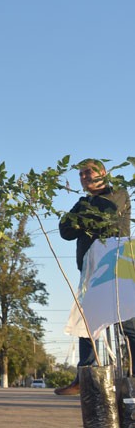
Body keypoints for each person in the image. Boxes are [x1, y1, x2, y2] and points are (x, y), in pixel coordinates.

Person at [54, 158, 133, 396]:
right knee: (88, 323)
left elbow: (105, 214)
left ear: (103, 173)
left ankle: (134, 377)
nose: (84, 177)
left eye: (89, 172)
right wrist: (83, 215)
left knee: (127, 321)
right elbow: (65, 231)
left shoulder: (117, 192)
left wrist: (81, 215)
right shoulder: (82, 202)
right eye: (81, 174)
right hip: (91, 268)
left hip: (117, 265)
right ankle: (84, 377)